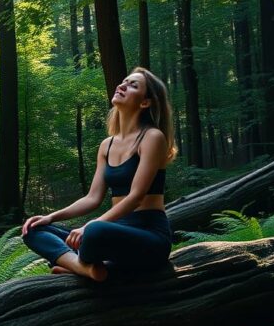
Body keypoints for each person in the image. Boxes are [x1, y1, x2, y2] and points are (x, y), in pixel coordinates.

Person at [21, 67, 177, 282]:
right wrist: (51, 217)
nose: (122, 86)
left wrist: (89, 226)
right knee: (33, 230)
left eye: (133, 85)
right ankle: (86, 268)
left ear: (145, 102)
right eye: (124, 81)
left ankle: (77, 265)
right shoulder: (107, 145)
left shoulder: (152, 137)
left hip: (149, 234)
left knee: (94, 233)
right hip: (117, 231)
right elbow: (93, 198)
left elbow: (136, 196)